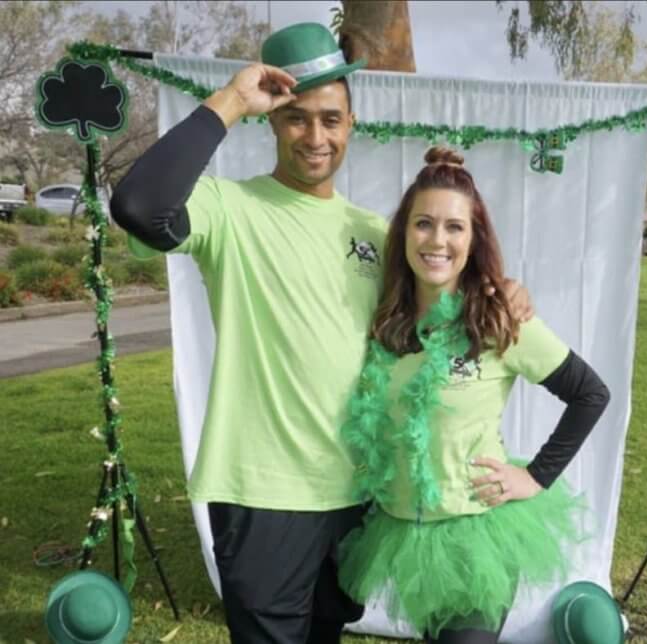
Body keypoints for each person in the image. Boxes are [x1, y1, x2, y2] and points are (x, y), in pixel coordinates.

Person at [109, 23, 533, 644]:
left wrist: (503, 291)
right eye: (296, 118)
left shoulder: (375, 234)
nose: (315, 136)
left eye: (330, 120)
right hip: (264, 492)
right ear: (273, 122)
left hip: (356, 492)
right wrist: (231, 100)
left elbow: (439, 299)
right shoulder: (229, 209)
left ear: (352, 124)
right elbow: (140, 206)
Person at [337, 147, 611, 644]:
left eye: (454, 227)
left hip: (476, 535)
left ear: (473, 238)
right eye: (423, 224)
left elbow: (590, 394)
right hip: (407, 538)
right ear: (403, 234)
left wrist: (536, 476)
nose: (437, 240)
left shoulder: (496, 319)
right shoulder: (387, 324)